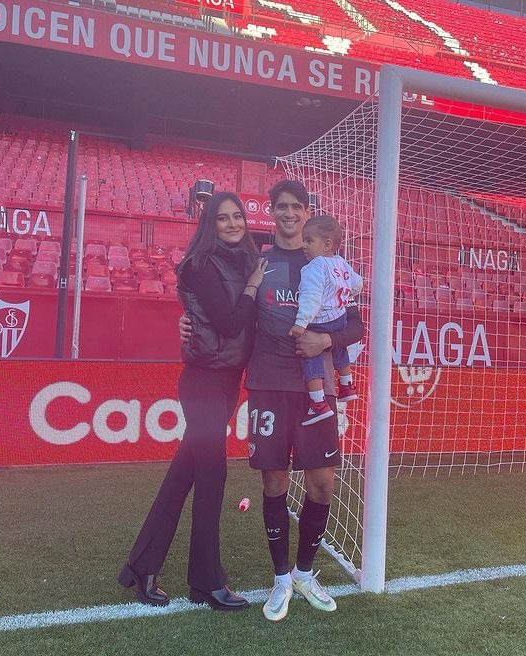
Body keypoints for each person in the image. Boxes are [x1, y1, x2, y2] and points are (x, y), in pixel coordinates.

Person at [180, 179, 364, 622]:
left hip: (315, 386)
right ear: (272, 211)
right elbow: (223, 310)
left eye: (296, 207)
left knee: (323, 484)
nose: (288, 214)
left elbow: (355, 326)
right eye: (280, 206)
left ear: (306, 212)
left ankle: (305, 573)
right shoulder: (254, 261)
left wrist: (325, 338)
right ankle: (281, 580)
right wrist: (186, 325)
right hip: (266, 383)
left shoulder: (328, 262)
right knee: (274, 484)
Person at [118, 191, 267, 611]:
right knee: (213, 476)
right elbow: (231, 320)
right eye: (223, 219)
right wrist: (254, 286)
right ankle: (205, 582)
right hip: (203, 381)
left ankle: (141, 567)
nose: (234, 224)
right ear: (210, 224)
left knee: (182, 476)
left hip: (227, 382)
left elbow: (245, 324)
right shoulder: (203, 264)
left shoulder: (245, 261)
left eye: (238, 216)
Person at [288, 214, 363, 426]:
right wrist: (348, 294)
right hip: (339, 318)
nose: (304, 245)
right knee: (339, 349)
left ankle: (318, 403)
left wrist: (301, 324)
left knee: (309, 354)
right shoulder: (341, 262)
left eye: (309, 241)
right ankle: (347, 386)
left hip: (320, 321)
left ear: (326, 244)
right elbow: (358, 284)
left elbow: (310, 298)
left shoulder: (314, 266)